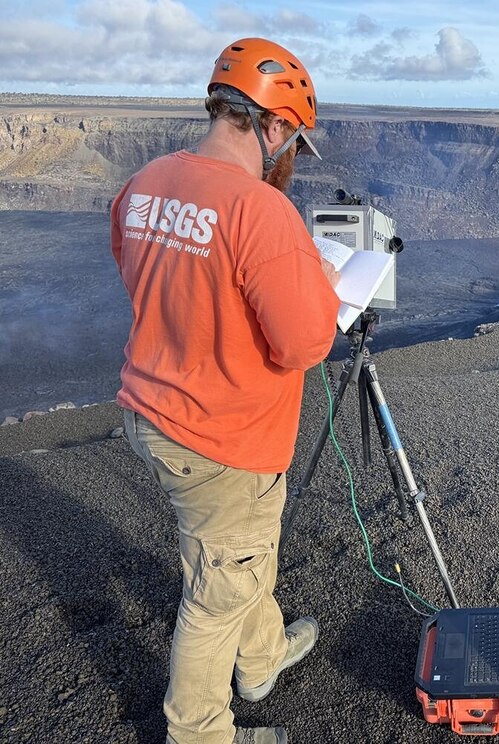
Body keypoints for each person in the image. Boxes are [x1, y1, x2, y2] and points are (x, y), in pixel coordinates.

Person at [111, 37, 341, 744]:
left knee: (237, 553)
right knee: (216, 592)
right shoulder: (261, 213)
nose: (291, 156)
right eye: (293, 140)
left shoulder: (145, 181)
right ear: (273, 127)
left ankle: (263, 656)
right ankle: (199, 733)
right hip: (225, 440)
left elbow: (141, 269)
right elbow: (305, 344)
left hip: (152, 412)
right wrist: (322, 289)